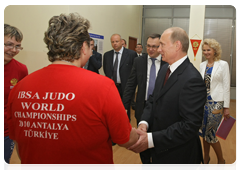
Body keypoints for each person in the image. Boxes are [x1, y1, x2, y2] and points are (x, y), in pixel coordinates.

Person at [7, 13, 138, 170]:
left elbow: (20, 148)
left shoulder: (20, 87)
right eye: (90, 47)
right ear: (83, 47)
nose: (91, 52)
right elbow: (125, 139)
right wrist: (141, 134)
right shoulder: (103, 86)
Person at [128, 27, 207, 170]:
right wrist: (144, 123)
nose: (159, 50)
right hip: (160, 152)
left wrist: (151, 139)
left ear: (177, 46)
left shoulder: (192, 79)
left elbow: (189, 126)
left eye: (162, 45)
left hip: (178, 157)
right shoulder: (165, 69)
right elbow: (153, 99)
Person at [122, 33, 166, 170]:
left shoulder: (167, 62)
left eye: (155, 46)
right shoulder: (139, 61)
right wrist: (124, 106)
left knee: (159, 138)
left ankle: (158, 164)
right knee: (142, 138)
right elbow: (131, 84)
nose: (151, 49)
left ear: (160, 47)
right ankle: (146, 165)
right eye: (149, 46)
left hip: (161, 108)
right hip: (142, 106)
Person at [198, 39, 230, 170]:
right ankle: (206, 158)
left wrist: (226, 107)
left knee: (211, 134)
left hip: (217, 103)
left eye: (208, 50)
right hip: (203, 103)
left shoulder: (223, 64)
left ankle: (221, 160)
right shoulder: (202, 65)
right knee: (203, 132)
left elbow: (226, 86)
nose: (206, 52)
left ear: (214, 51)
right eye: (204, 50)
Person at [4, 24, 28, 170]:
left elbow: (20, 100)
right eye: (9, 45)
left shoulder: (21, 69)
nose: (14, 50)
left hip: (6, 132)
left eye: (18, 46)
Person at [103, 34, 137, 119]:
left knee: (125, 109)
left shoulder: (131, 54)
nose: (115, 43)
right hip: (112, 87)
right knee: (112, 108)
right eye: (113, 42)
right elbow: (106, 70)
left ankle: (126, 128)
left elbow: (135, 71)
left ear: (122, 41)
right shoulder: (107, 55)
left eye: (117, 41)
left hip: (126, 87)